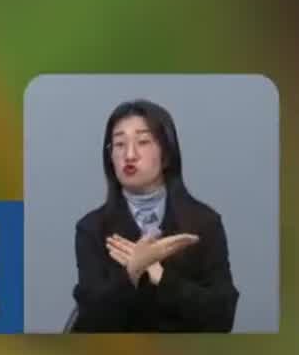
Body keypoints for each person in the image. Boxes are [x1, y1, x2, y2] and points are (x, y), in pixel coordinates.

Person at [69, 99, 238, 332]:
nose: (129, 154)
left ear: (167, 153)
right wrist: (132, 271)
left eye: (143, 141)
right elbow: (89, 321)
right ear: (109, 156)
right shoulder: (92, 228)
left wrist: (160, 275)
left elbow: (222, 317)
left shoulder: (203, 222)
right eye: (119, 144)